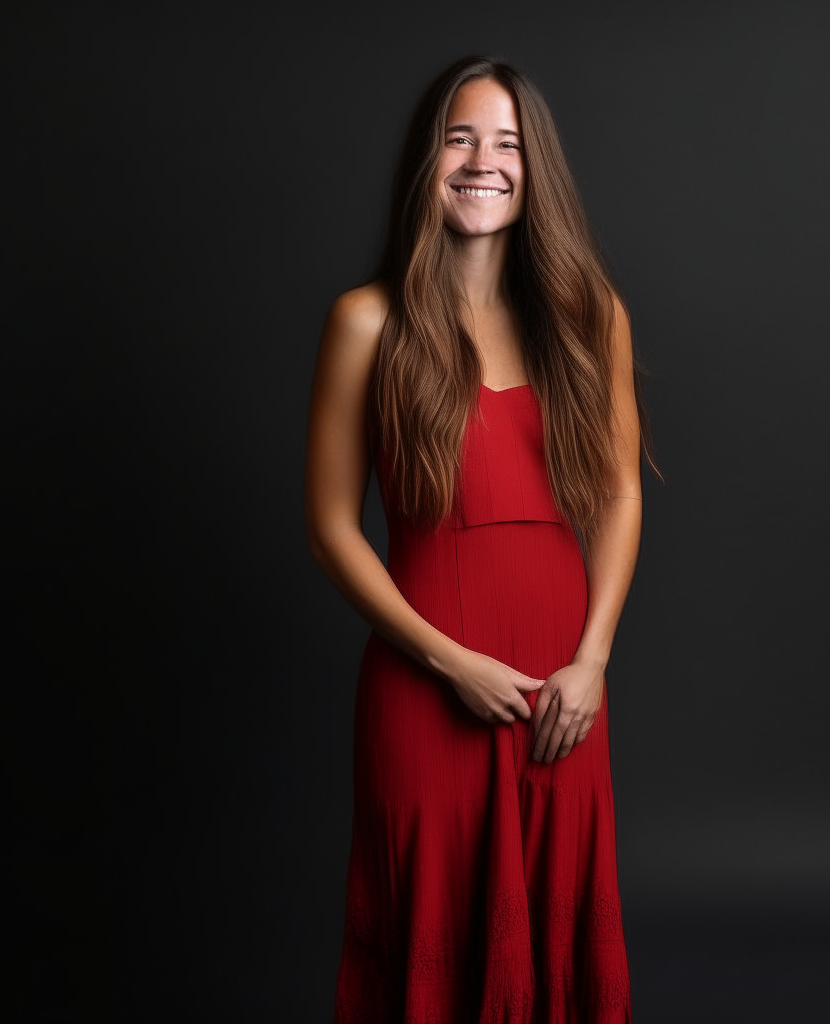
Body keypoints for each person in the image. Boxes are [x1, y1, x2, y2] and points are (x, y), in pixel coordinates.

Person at [304, 54, 659, 1024]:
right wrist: (446, 657)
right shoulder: (366, 323)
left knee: (551, 942)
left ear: (533, 168)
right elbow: (332, 525)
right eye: (461, 137)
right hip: (426, 694)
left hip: (562, 697)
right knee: (432, 947)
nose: (482, 162)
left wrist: (592, 661)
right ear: (429, 159)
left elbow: (622, 492)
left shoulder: (591, 317)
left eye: (506, 143)